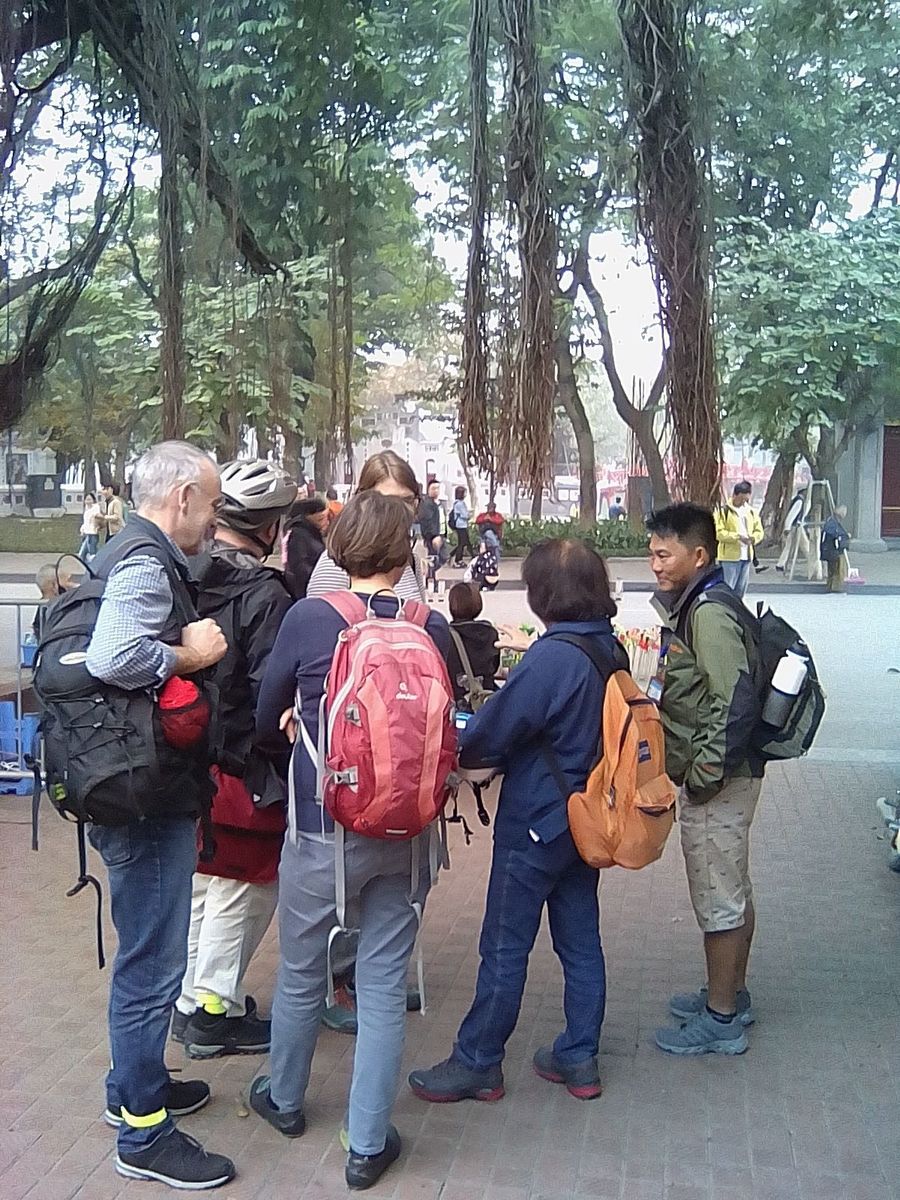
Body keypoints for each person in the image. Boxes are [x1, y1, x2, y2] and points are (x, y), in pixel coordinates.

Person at [249, 491, 450, 1191]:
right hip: (408, 834)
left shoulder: (310, 618)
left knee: (302, 971)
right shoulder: (430, 626)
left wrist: (294, 724)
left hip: (320, 828)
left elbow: (264, 714)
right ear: (405, 556)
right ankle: (366, 1143)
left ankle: (283, 1100)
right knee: (384, 982)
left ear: (338, 552)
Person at [409, 538, 622, 1105]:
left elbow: (489, 734)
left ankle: (478, 1061)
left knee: (504, 948)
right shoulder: (610, 648)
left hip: (536, 822)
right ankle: (579, 1056)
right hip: (586, 820)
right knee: (581, 943)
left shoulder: (552, 657)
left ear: (544, 595)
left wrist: (459, 735)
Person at [84, 441, 236, 1188]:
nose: (214, 520)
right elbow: (112, 657)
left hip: (129, 786)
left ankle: (132, 1088)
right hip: (143, 799)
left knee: (146, 952)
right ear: (182, 498)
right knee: (152, 964)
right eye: (211, 503)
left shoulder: (121, 551)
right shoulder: (147, 564)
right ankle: (143, 1133)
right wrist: (186, 655)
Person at [175, 460, 297, 1061]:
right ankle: (213, 1013)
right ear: (269, 528)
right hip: (245, 769)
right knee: (243, 890)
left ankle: (188, 1001)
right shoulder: (265, 594)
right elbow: (273, 691)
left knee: (202, 886)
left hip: (186, 760)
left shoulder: (183, 575)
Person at [646, 503, 763, 1056]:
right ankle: (730, 993)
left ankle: (721, 1020)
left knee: (719, 898)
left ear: (698, 555)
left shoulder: (709, 613)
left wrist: (703, 778)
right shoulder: (702, 602)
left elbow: (733, 700)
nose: (655, 565)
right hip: (725, 775)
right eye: (652, 554)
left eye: (664, 554)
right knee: (731, 888)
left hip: (719, 779)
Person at [307, 450, 426, 602]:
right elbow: (317, 614)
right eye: (386, 502)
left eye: (407, 501)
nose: (399, 511)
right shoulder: (338, 562)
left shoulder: (410, 559)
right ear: (363, 501)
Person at [446, 582, 500, 708]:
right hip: (485, 702)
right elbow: (494, 666)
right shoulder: (490, 633)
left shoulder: (445, 635)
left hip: (456, 701)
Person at [714, 481, 763, 599]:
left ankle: (738, 609)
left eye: (746, 499)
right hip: (729, 557)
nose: (743, 502)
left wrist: (754, 538)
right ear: (734, 495)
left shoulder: (751, 512)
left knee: (741, 590)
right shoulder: (723, 511)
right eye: (741, 499)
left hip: (746, 556)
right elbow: (719, 533)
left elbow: (759, 531)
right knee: (728, 588)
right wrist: (737, 537)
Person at [283, 496, 330, 600]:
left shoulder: (310, 532)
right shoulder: (298, 534)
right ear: (309, 516)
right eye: (321, 518)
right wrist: (320, 575)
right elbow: (299, 566)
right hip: (305, 591)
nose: (325, 521)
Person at [418, 479, 449, 591]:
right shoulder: (427, 504)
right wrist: (433, 536)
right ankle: (431, 581)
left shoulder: (439, 504)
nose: (436, 490)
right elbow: (427, 521)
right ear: (428, 490)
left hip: (441, 535)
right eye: (433, 488)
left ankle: (428, 573)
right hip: (433, 537)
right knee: (433, 558)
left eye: (437, 488)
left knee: (443, 557)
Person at [33, 562, 74, 640]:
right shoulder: (59, 611)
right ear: (55, 586)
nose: (72, 584)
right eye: (68, 581)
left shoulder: (42, 610)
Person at [776, 486, 809, 574]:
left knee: (789, 546)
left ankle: (781, 564)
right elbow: (792, 515)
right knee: (804, 545)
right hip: (795, 527)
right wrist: (787, 527)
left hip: (796, 526)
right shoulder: (799, 501)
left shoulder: (800, 500)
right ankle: (811, 561)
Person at [821, 505, 851, 593]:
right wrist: (845, 536)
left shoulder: (832, 522)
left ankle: (832, 585)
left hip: (829, 549)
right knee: (835, 568)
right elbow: (836, 534)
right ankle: (835, 586)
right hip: (832, 550)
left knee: (832, 568)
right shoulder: (832, 524)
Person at [467, 526, 500, 591]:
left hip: (484, 577)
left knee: (482, 569)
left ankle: (483, 585)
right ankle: (489, 586)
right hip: (492, 577)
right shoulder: (493, 557)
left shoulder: (486, 533)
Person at [450, 485, 472, 566]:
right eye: (464, 493)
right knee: (462, 543)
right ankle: (457, 559)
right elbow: (465, 515)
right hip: (461, 525)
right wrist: (469, 515)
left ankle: (453, 555)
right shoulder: (460, 504)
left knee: (464, 542)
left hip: (461, 525)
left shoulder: (457, 503)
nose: (465, 494)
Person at [78, 492, 102, 561]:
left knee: (92, 554)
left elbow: (97, 517)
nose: (88, 501)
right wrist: (82, 529)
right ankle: (86, 565)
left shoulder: (96, 508)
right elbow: (86, 522)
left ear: (93, 500)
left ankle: (94, 565)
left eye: (90, 499)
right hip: (87, 534)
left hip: (92, 534)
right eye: (86, 499)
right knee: (82, 554)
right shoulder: (86, 509)